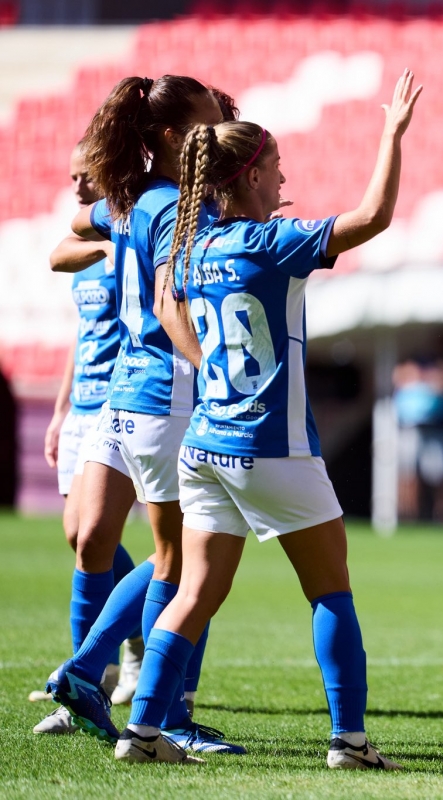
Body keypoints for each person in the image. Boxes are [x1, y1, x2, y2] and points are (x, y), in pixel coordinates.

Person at [119, 71, 421, 767]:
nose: (285, 179)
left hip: (206, 443)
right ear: (250, 175)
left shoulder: (195, 247)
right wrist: (391, 136)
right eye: (277, 167)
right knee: (330, 592)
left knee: (193, 593)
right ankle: (349, 740)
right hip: (272, 446)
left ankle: (141, 733)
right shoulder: (271, 243)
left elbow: (178, 309)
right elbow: (372, 217)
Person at [47, 75, 240, 754]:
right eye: (207, 123)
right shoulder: (175, 210)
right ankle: (155, 711)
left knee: (106, 541)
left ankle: (85, 682)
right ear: (167, 136)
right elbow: (171, 303)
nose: (215, 133)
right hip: (166, 391)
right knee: (180, 561)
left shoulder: (131, 199)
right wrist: (217, 371)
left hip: (119, 397)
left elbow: (79, 224)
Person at [30, 144, 143, 732]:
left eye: (86, 174)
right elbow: (84, 334)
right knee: (80, 534)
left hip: (128, 404)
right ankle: (115, 649)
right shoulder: (93, 241)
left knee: (98, 538)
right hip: (82, 408)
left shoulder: (140, 227)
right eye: (71, 174)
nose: (76, 184)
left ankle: (104, 670)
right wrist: (58, 409)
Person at [393, 333, 443, 524]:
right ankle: (407, 521)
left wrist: (431, 377)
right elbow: (401, 375)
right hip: (412, 425)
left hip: (441, 427)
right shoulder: (417, 358)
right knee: (408, 477)